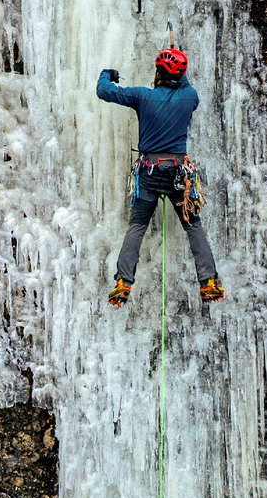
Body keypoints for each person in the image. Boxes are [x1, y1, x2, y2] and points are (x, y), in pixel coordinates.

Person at [96, 48, 224, 307]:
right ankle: (208, 282)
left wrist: (106, 73)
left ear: (157, 73)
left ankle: (123, 282)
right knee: (193, 226)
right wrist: (180, 73)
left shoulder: (142, 96)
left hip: (150, 171)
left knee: (138, 226)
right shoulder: (189, 97)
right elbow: (185, 85)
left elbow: (104, 91)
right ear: (181, 75)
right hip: (179, 174)